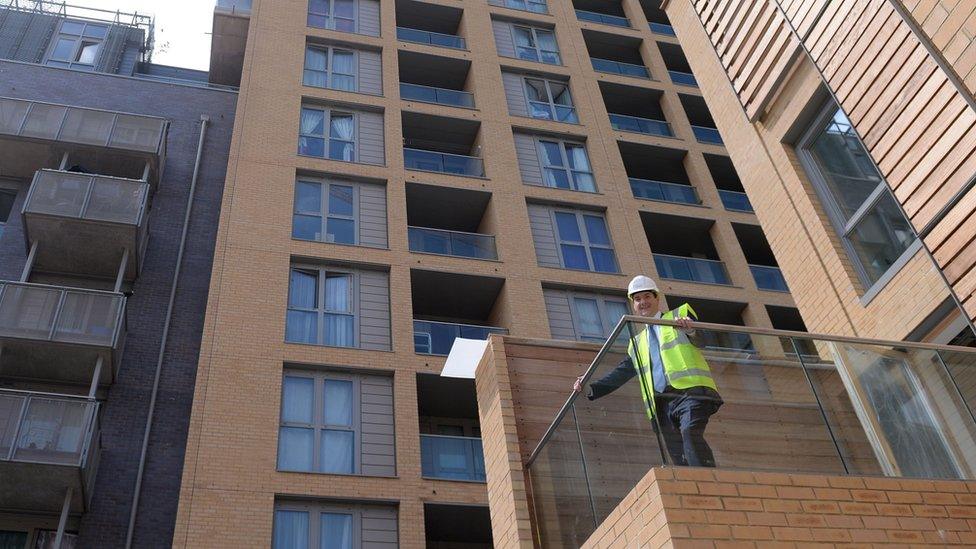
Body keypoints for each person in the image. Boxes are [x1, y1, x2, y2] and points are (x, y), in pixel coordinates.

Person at [573, 275, 723, 467]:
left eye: (646, 297)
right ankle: (694, 491)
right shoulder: (637, 342)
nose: (642, 302)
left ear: (656, 298)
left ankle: (710, 482)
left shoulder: (679, 315)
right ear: (633, 304)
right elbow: (622, 372)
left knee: (690, 433)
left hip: (691, 392)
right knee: (678, 455)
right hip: (661, 403)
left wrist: (690, 330)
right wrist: (591, 387)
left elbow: (704, 340)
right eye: (637, 299)